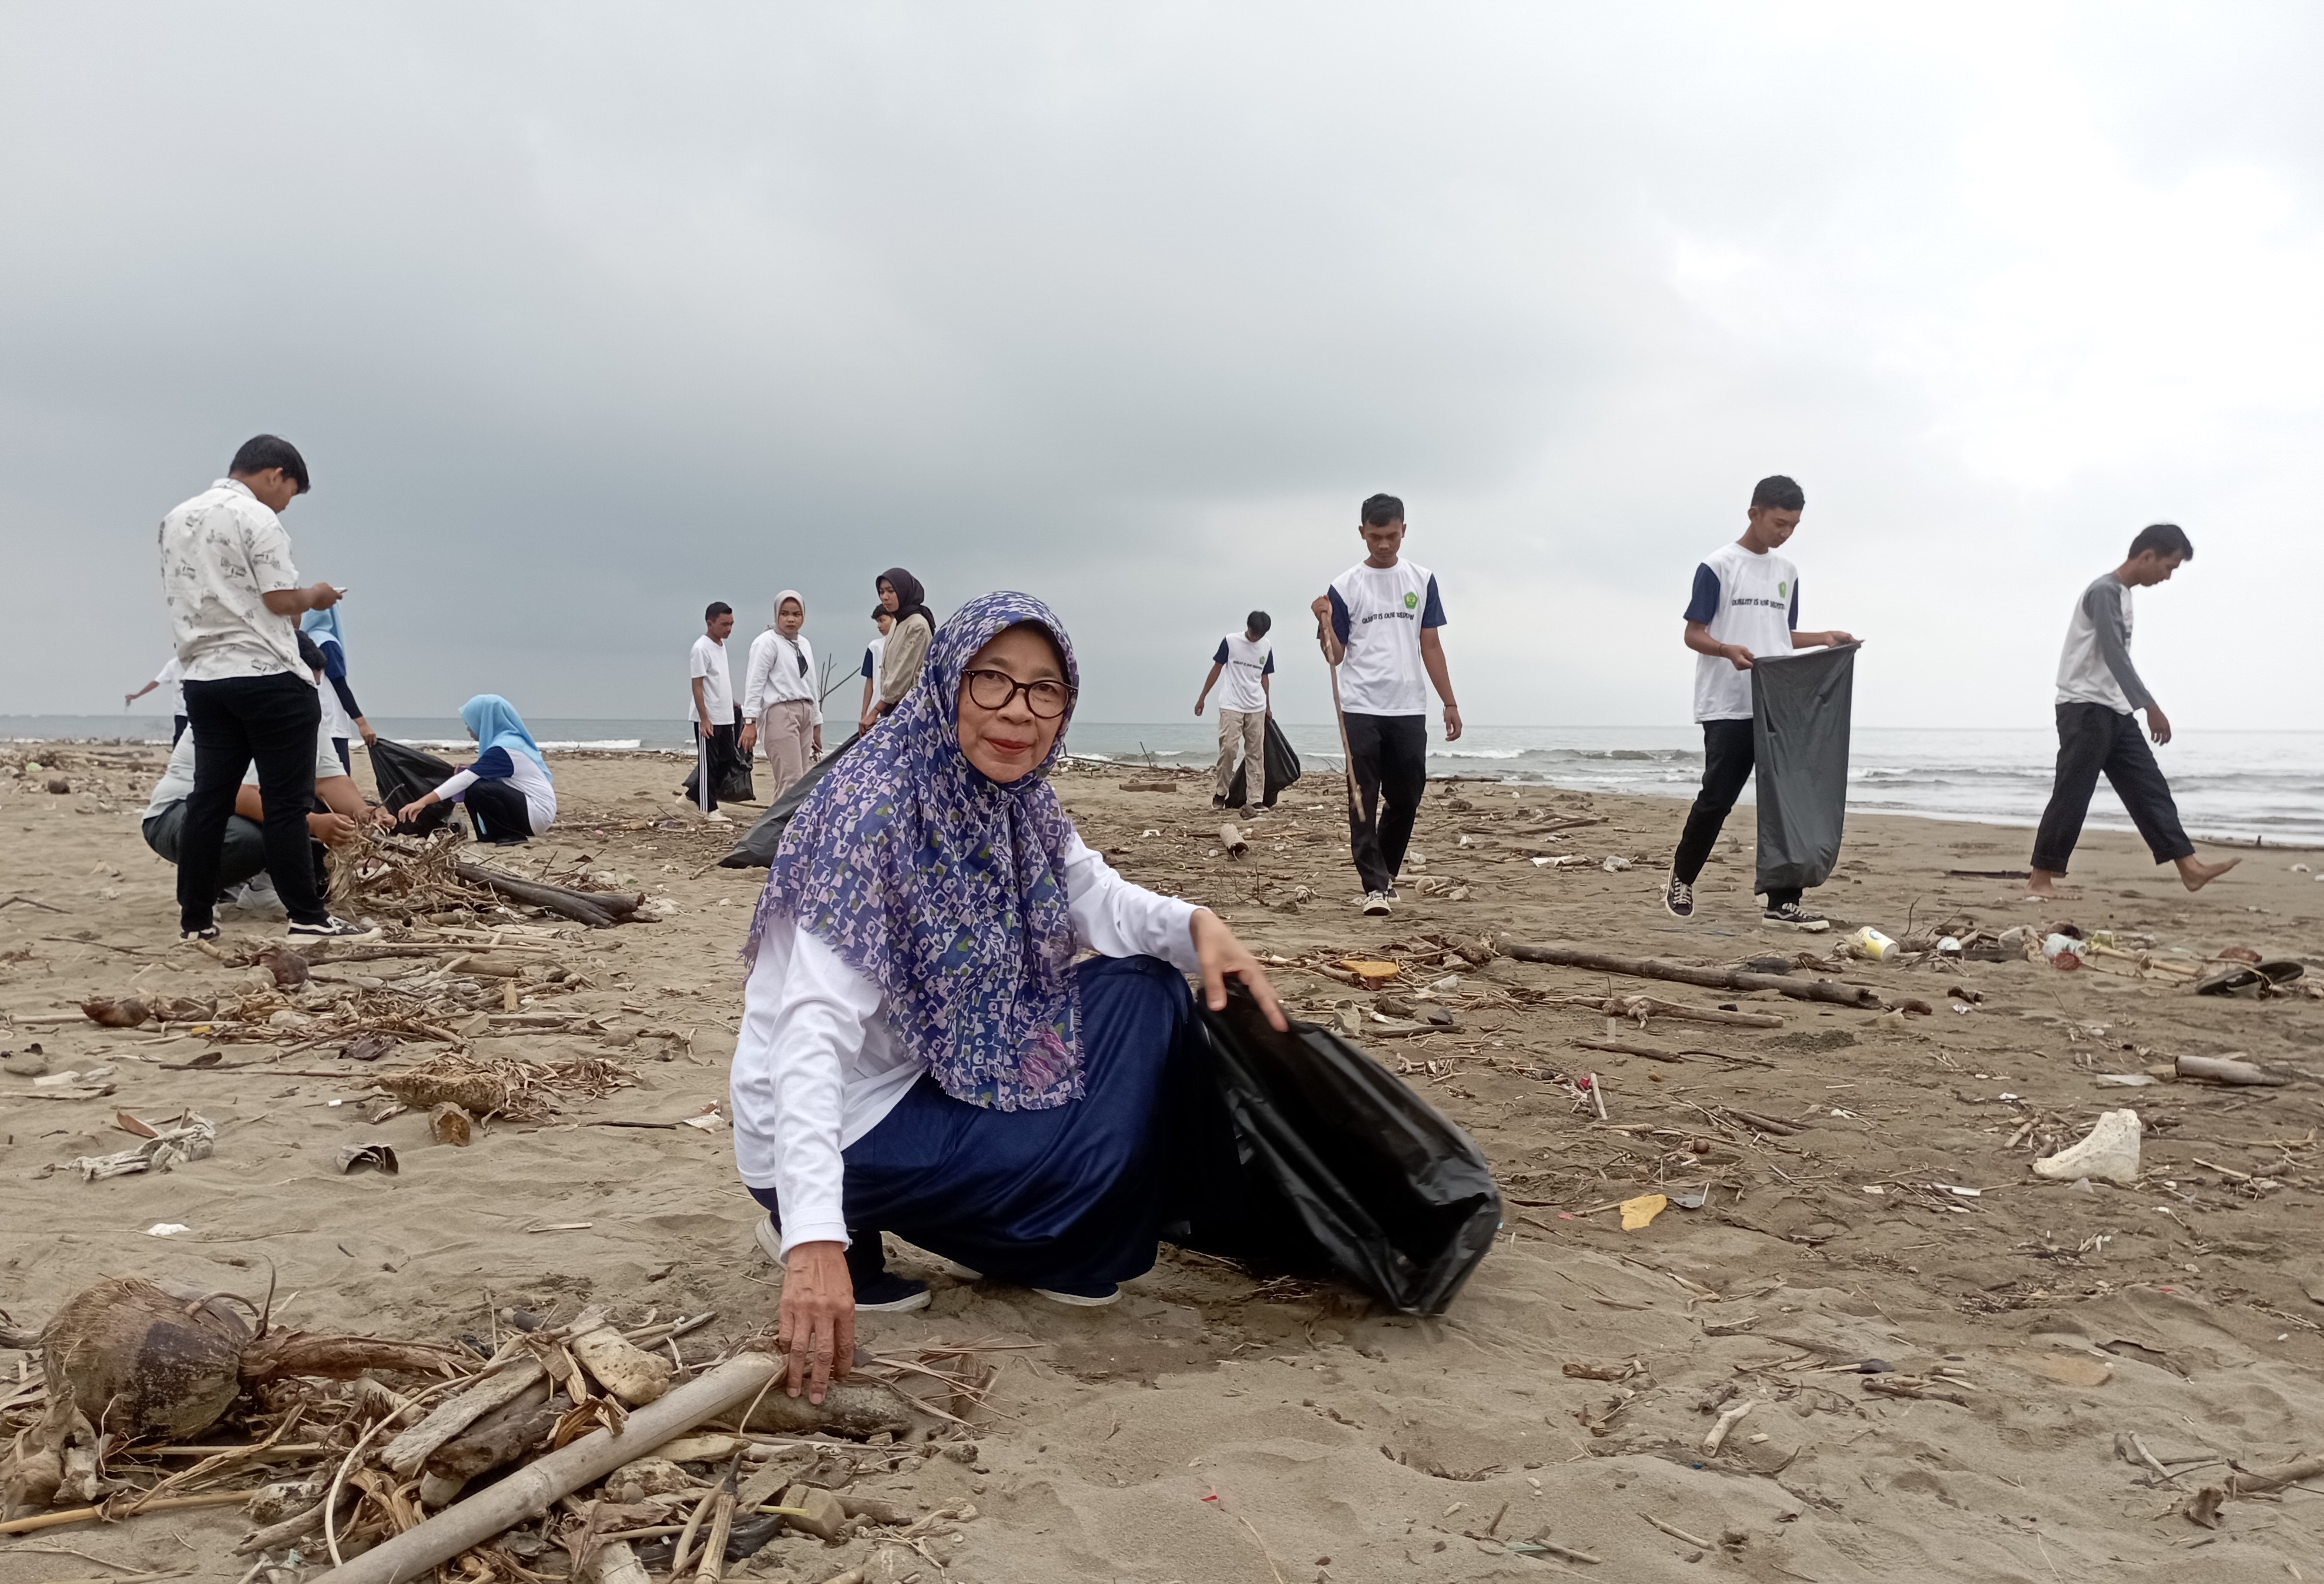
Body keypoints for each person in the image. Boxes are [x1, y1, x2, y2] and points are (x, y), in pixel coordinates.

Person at [732, 592, 1287, 1402]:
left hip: (927, 1065)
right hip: (829, 1118)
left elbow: (1094, 895)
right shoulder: (874, 811)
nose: (1016, 711)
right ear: (946, 682)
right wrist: (813, 1236)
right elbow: (809, 1030)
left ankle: (977, 1218)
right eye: (990, 680)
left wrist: (1195, 922)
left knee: (1146, 985)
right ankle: (835, 1222)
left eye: (1043, 689)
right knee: (1077, 1219)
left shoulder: (1016, 798)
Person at [157, 433, 373, 942]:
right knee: (285, 801)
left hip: (204, 676)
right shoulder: (257, 517)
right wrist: (318, 595)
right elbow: (279, 600)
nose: (285, 503)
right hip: (267, 674)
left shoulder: (176, 518)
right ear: (275, 474)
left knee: (209, 798)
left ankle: (196, 919)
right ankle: (307, 917)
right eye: (290, 492)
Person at [1666, 475, 1857, 931]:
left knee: (1786, 802)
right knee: (1716, 799)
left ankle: (1783, 900)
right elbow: (1694, 633)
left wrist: (1822, 638)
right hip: (1728, 703)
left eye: (1792, 525)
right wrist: (1726, 650)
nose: (1784, 532)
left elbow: (1779, 636)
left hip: (1779, 704)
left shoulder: (1786, 573)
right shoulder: (1717, 566)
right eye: (1778, 522)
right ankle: (1681, 877)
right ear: (1754, 513)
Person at [2027, 525, 2238, 899]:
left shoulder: (2123, 595)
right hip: (2084, 708)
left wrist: (2132, 706)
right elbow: (2114, 653)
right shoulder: (2105, 591)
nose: (2168, 576)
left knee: (2149, 789)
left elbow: (2114, 660)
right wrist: (2150, 706)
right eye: (2168, 567)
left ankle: (2189, 867)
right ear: (2147, 556)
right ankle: (2040, 879)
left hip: (2114, 709)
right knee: (2073, 792)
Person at [1309, 494, 1461, 916]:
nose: (1383, 545)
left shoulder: (1421, 579)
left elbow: (1430, 643)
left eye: (1391, 536)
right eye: (1375, 536)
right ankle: (1374, 886)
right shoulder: (1345, 586)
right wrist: (1322, 620)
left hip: (1408, 705)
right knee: (1363, 795)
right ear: (1362, 533)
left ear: (1403, 531)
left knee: (1407, 797)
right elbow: (1334, 654)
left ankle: (1386, 872)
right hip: (1360, 705)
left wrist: (1449, 701)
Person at [141, 707, 389, 909]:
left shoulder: (304, 716)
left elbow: (329, 780)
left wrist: (363, 812)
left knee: (326, 818)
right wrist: (311, 824)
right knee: (245, 841)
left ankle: (262, 888)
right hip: (178, 813)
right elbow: (237, 794)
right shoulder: (242, 713)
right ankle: (206, 892)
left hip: (237, 808)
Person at [395, 695, 557, 843]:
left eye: (470, 723)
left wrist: (422, 802)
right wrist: (473, 767)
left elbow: (464, 780)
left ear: (484, 722)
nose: (468, 729)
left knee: (478, 787)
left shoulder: (506, 748)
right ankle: (490, 836)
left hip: (538, 814)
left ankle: (510, 837)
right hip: (531, 810)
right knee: (475, 786)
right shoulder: (507, 743)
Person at [742, 591, 823, 796]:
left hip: (805, 710)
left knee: (802, 778)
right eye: (785, 613)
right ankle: (782, 827)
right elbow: (755, 682)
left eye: (796, 614)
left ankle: (796, 825)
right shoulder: (767, 642)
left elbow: (811, 683)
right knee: (790, 779)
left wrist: (817, 722)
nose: (791, 619)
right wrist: (750, 721)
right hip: (781, 711)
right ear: (777, 614)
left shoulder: (804, 644)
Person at [1195, 611, 1276, 811]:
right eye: (1254, 633)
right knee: (1229, 749)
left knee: (1256, 753)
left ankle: (1255, 798)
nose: (1256, 638)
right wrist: (1202, 697)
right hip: (1231, 704)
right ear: (1248, 627)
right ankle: (1221, 792)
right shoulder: (1231, 642)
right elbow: (1216, 669)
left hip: (1256, 706)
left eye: (1260, 634)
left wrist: (1268, 705)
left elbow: (1264, 677)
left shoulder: (1266, 646)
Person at [682, 602, 743, 813]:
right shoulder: (700, 648)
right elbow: (697, 685)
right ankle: (709, 809)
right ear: (711, 623)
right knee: (709, 763)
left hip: (726, 714)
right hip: (708, 717)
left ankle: (692, 796)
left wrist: (733, 703)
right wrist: (704, 718)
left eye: (732, 624)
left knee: (727, 760)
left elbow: (718, 680)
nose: (729, 629)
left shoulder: (720, 645)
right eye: (725, 624)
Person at [300, 607, 375, 773]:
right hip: (331, 720)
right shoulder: (327, 642)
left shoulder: (301, 641)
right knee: (339, 776)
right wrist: (362, 723)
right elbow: (339, 684)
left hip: (308, 716)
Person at [871, 568, 934, 721]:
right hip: (892, 707)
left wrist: (874, 712)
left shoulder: (917, 625)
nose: (885, 597)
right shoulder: (896, 624)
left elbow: (901, 676)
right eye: (881, 592)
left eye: (891, 591)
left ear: (903, 590)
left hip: (911, 709)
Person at [123, 656, 188, 745]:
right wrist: (137, 695)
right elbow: (157, 682)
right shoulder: (173, 665)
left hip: (200, 710)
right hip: (181, 710)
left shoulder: (200, 661)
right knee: (179, 738)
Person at [856, 607, 894, 734]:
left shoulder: (902, 644)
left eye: (882, 620)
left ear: (894, 619)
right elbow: (870, 681)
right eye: (877, 622)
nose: (879, 626)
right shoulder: (874, 647)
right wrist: (864, 713)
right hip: (876, 712)